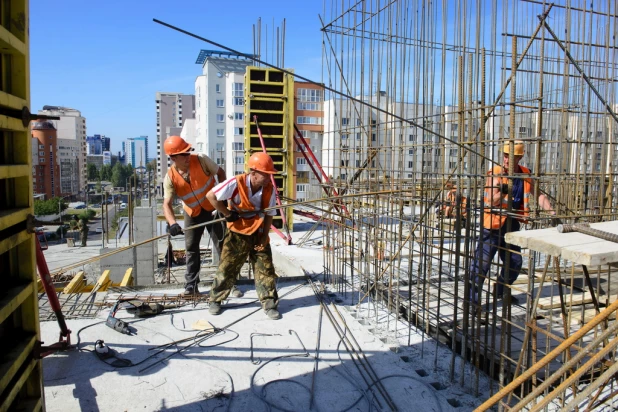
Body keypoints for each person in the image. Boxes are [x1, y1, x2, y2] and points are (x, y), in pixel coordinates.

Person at [470, 141, 556, 305]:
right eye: (506, 156)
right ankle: (472, 302)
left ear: (520, 157)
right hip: (493, 225)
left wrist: (551, 212)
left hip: (512, 224)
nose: (507, 160)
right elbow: (491, 201)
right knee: (482, 265)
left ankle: (500, 290)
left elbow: (538, 195)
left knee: (514, 263)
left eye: (512, 157)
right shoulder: (495, 172)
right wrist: (502, 191)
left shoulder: (525, 173)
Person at [206, 152, 280, 320]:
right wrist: (226, 213)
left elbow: (269, 214)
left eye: (270, 174)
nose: (269, 177)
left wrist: (264, 236)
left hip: (258, 230)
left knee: (265, 268)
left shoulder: (269, 189)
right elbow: (211, 196)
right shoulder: (236, 182)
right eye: (266, 174)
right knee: (228, 267)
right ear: (253, 173)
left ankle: (269, 302)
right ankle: (215, 299)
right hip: (237, 232)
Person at [162, 135, 231, 297]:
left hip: (213, 210)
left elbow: (221, 174)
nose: (188, 156)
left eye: (188, 152)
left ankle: (229, 281)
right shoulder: (170, 177)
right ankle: (191, 285)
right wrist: (173, 223)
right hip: (192, 213)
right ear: (173, 157)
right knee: (191, 249)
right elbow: (166, 204)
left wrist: (223, 200)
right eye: (183, 154)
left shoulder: (201, 160)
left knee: (223, 245)